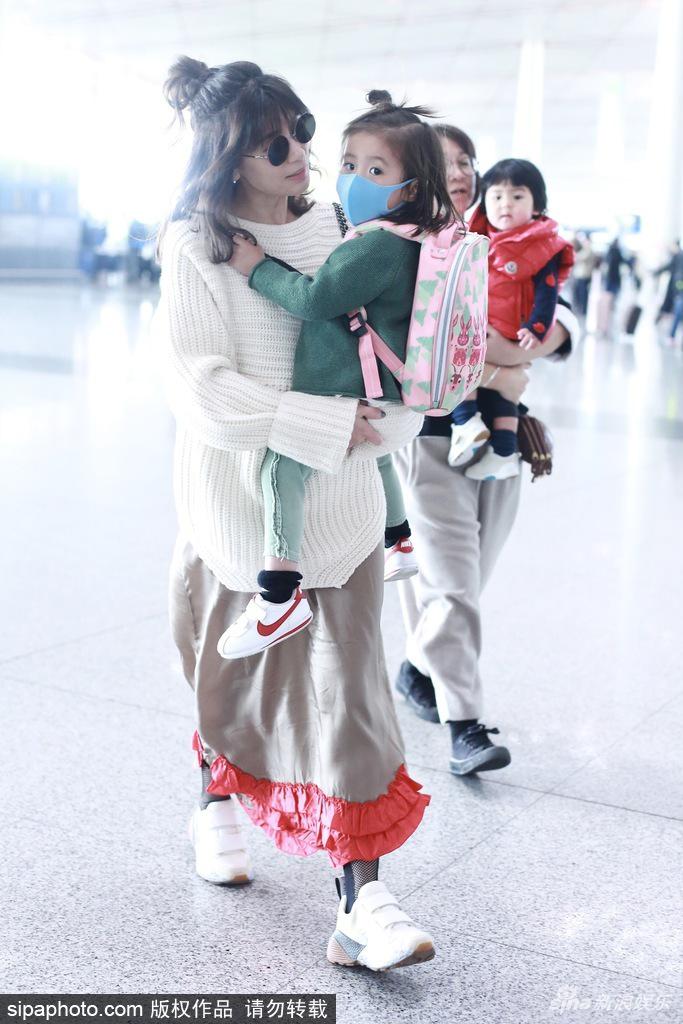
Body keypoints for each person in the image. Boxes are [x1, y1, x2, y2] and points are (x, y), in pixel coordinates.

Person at [156, 57, 435, 973]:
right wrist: (321, 422)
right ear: (226, 154)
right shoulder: (195, 245)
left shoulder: (351, 227)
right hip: (242, 511)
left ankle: (361, 899)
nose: (297, 153)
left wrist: (392, 415)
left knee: (354, 698)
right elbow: (200, 388)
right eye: (272, 142)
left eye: (302, 131)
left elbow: (399, 351)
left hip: (345, 510)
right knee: (231, 683)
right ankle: (214, 802)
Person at [218, 90, 455, 660]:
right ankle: (399, 539)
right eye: (349, 163)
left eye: (375, 170)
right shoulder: (411, 238)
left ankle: (279, 594)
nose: (352, 180)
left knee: (282, 466)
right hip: (381, 385)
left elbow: (313, 298)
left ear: (410, 189)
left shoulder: (376, 246)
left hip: (345, 385)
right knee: (377, 455)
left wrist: (256, 267)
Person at [393, 123, 578, 776]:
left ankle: (416, 667)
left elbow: (560, 322)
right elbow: (435, 338)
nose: (462, 172)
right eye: (445, 161)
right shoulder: (404, 247)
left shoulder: (496, 242)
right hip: (432, 435)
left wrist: (534, 343)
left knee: (468, 579)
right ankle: (465, 725)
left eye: (467, 161)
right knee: (453, 586)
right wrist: (506, 358)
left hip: (502, 438)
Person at [447, 158, 574, 481]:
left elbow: (549, 292)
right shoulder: (473, 238)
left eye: (517, 196)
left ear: (536, 206)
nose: (506, 204)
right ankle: (498, 448)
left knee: (471, 370)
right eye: (497, 196)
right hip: (486, 328)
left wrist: (537, 328)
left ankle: (468, 424)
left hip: (505, 329)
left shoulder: (541, 246)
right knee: (504, 391)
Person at [571, 231, 596, 318]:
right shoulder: (586, 249)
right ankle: (580, 310)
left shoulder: (588, 250)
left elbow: (579, 258)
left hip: (584, 276)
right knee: (580, 294)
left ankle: (583, 311)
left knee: (583, 295)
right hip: (581, 275)